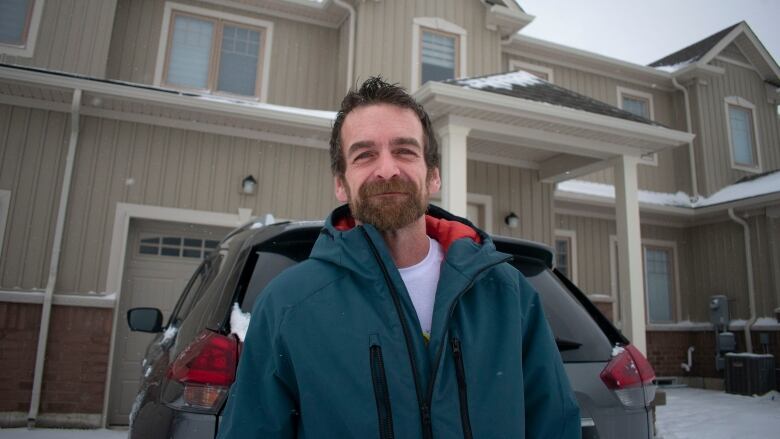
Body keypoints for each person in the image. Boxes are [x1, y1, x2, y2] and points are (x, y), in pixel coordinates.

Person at [218, 77, 580, 438]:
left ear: (433, 175)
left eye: (405, 151)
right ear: (341, 184)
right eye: (364, 155)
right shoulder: (287, 306)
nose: (387, 169)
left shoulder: (507, 294)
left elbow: (555, 425)